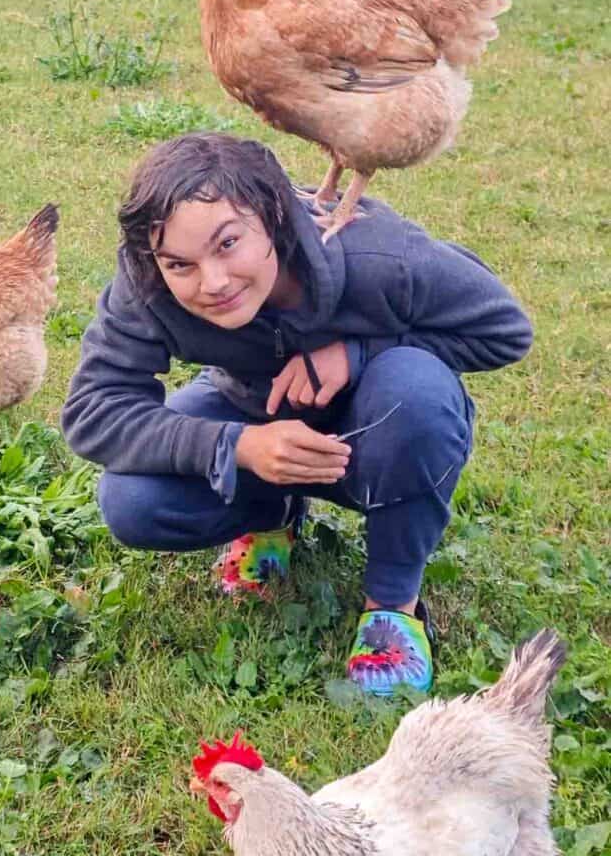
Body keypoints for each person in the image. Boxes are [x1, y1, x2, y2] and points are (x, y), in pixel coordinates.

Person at [61, 133, 532, 696]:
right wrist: (236, 446)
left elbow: (505, 330)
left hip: (381, 428)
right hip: (255, 411)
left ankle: (392, 605)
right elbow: (93, 409)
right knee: (133, 500)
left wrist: (360, 351)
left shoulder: (380, 255)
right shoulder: (146, 283)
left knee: (418, 396)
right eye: (180, 264)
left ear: (274, 216)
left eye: (228, 243)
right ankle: (274, 513)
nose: (213, 282)